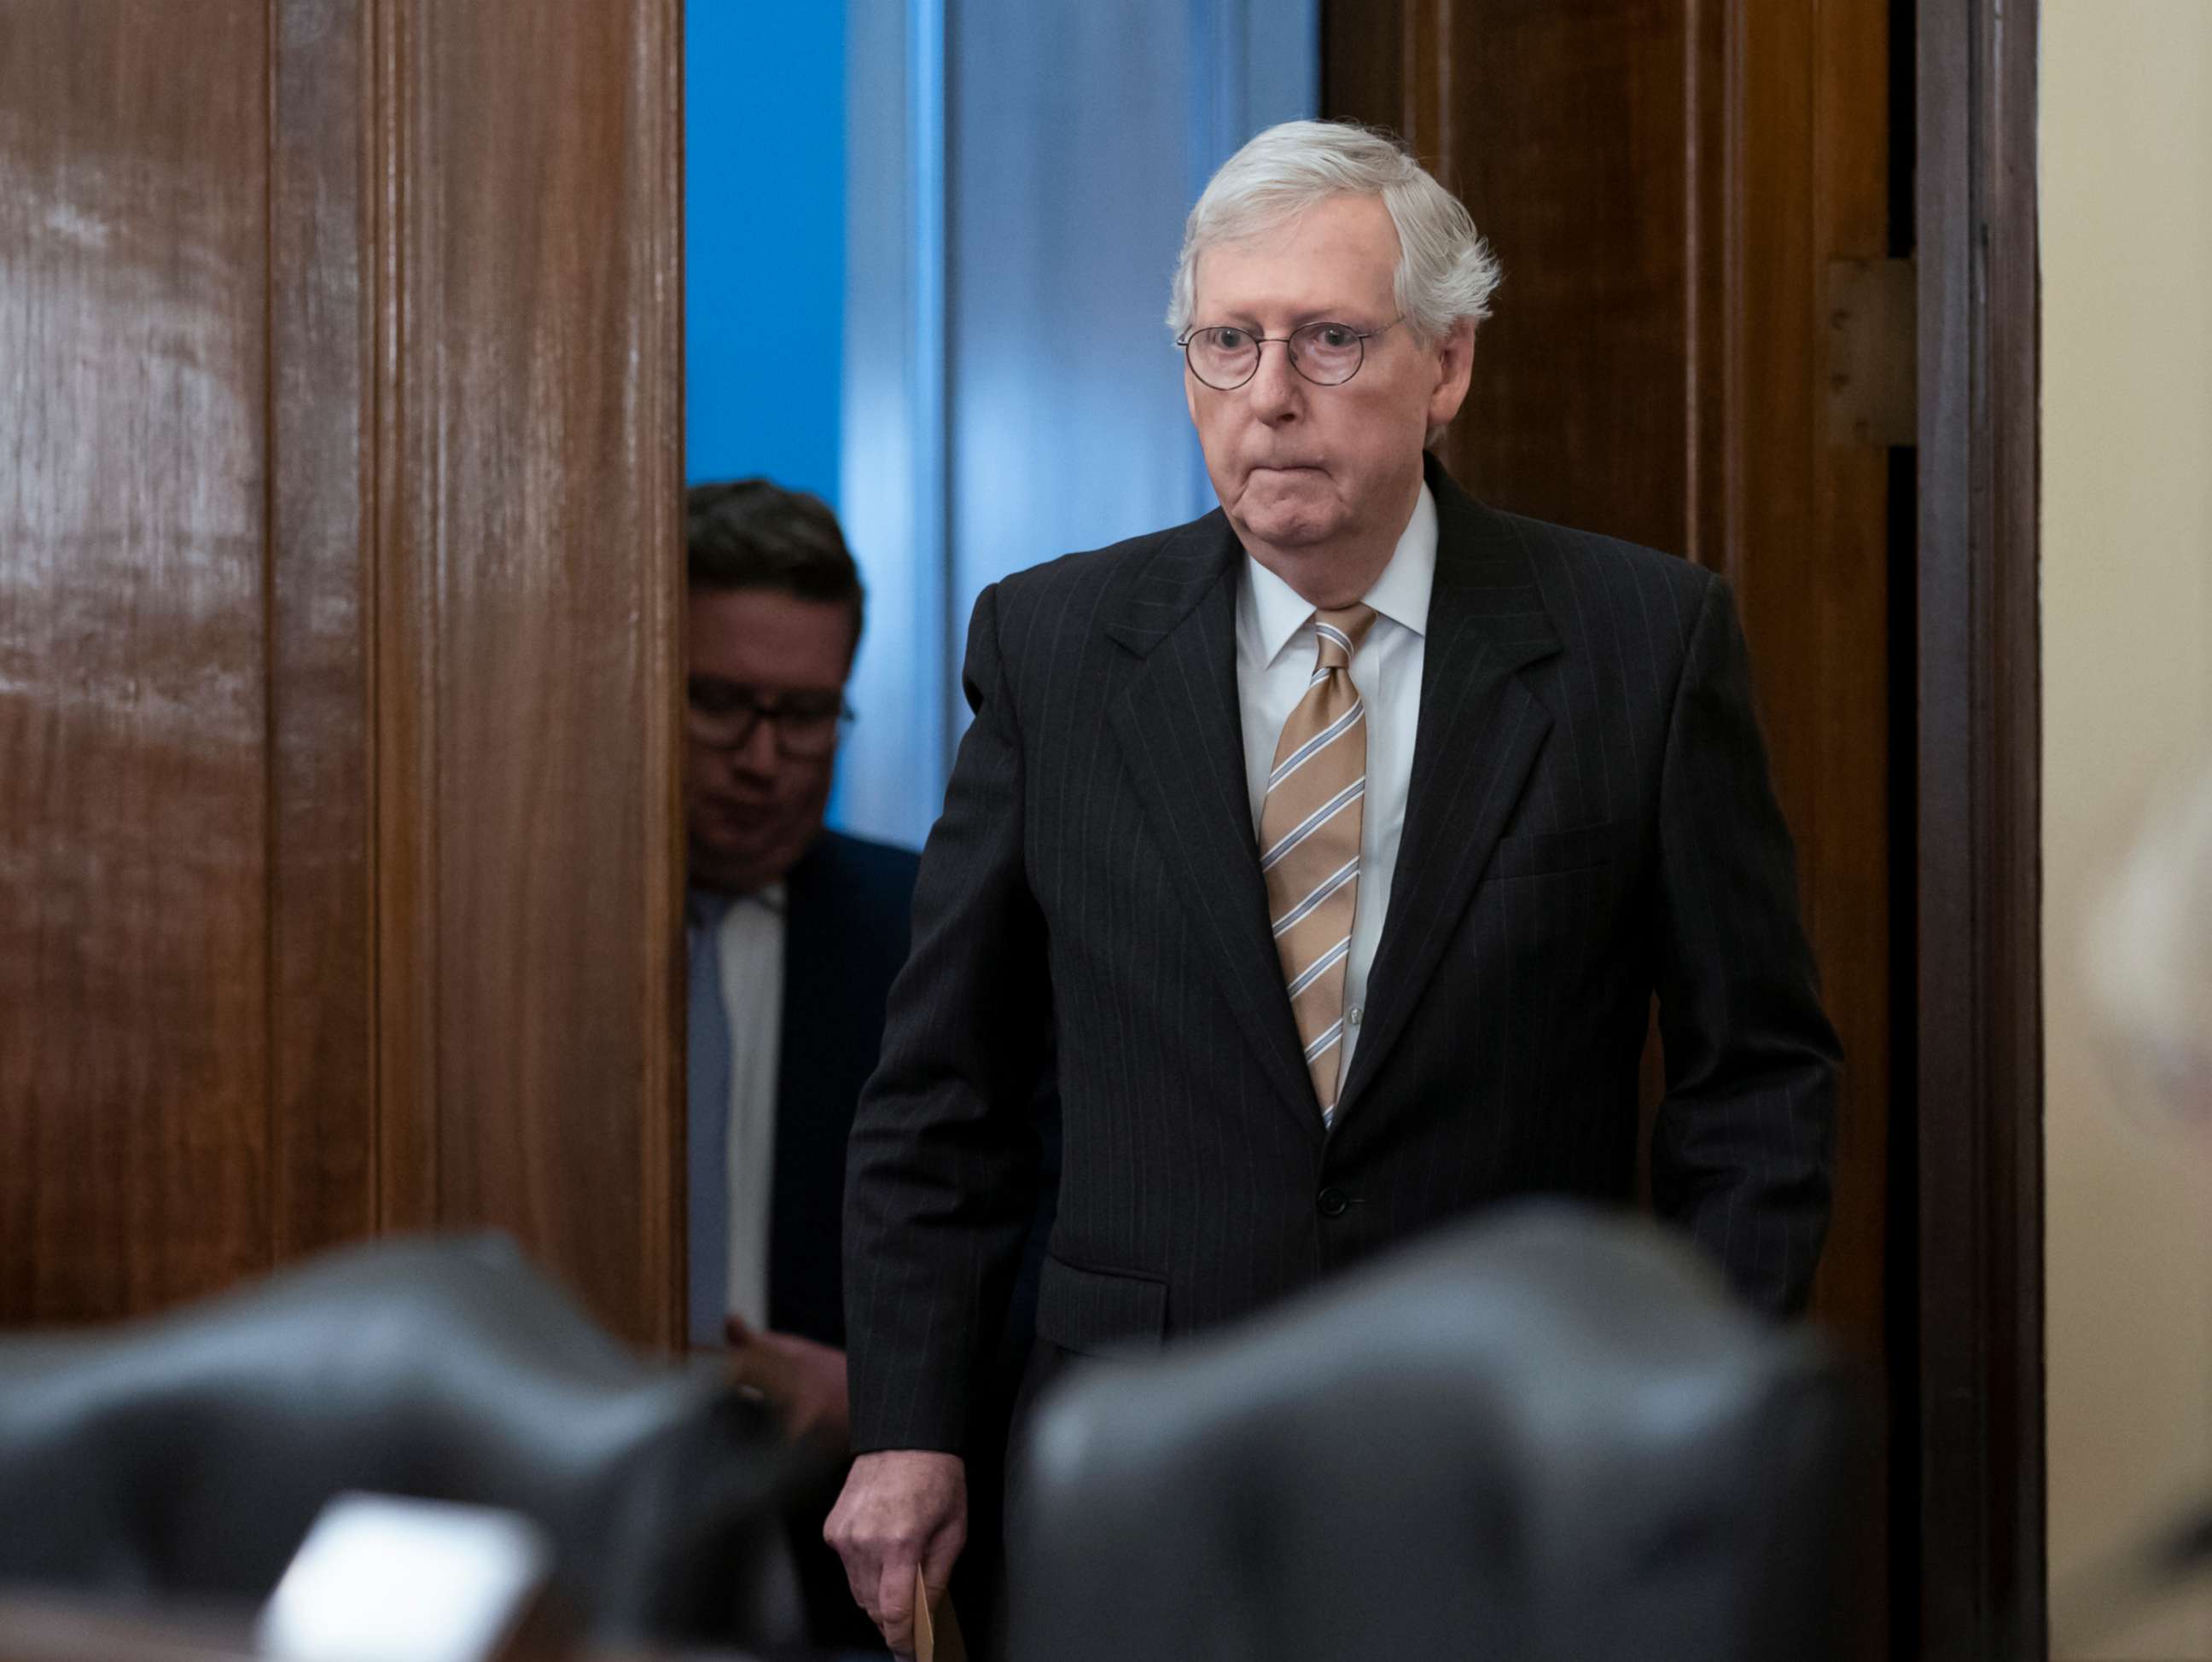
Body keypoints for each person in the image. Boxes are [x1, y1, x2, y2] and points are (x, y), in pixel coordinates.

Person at [827, 120, 1842, 1653]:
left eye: (1328, 341)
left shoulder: (1642, 643)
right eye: (1224, 344)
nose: (1270, 399)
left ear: (1447, 366)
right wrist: (909, 1422)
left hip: (1520, 1460)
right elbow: (942, 1093)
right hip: (1134, 1451)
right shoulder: (1051, 645)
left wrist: (1686, 1404)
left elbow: (1755, 1085)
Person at [681, 478, 923, 1649]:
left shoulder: (926, 933)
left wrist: (874, 1399)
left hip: (836, 1558)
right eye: (720, 705)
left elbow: (1045, 1244)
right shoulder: (533, 942)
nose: (765, 759)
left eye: (809, 714)